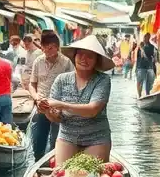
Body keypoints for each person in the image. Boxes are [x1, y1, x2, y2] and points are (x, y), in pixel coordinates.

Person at [42, 36, 114, 167]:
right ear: (74, 56)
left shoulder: (102, 80)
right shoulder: (61, 79)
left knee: (90, 176)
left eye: (90, 56)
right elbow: (56, 118)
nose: (84, 59)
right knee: (62, 174)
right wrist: (47, 110)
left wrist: (60, 104)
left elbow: (92, 110)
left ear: (96, 61)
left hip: (97, 138)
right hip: (67, 136)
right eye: (80, 55)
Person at [28, 31, 74, 160]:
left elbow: (71, 87)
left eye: (51, 47)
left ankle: (54, 167)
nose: (48, 50)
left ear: (57, 47)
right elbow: (32, 84)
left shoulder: (66, 63)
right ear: (41, 46)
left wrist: (61, 106)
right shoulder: (38, 61)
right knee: (37, 140)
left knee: (56, 142)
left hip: (58, 109)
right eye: (45, 47)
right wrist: (37, 98)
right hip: (40, 106)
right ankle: (38, 166)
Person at [135, 33, 158, 97]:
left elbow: (153, 58)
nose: (145, 39)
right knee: (140, 82)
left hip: (149, 67)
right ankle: (139, 95)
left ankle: (148, 95)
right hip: (141, 66)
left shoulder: (152, 47)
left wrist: (154, 68)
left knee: (149, 83)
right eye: (145, 37)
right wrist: (136, 68)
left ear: (149, 38)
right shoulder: (140, 46)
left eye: (147, 37)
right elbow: (138, 57)